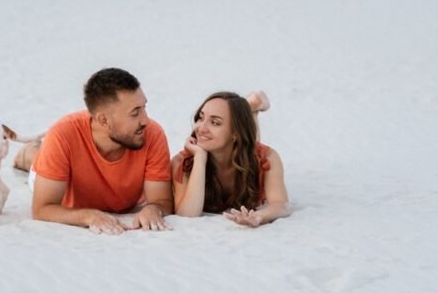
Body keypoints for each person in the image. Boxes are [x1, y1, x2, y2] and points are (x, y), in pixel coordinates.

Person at [25, 68, 173, 235]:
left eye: (144, 107)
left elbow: (162, 201)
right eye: (135, 113)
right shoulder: (62, 135)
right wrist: (88, 216)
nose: (145, 120)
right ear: (103, 120)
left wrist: (154, 209)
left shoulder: (152, 134)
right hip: (53, 176)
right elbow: (42, 209)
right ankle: (28, 153)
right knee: (36, 160)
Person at [171, 90, 290, 227]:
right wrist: (200, 158)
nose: (201, 129)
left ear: (234, 132)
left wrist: (259, 216)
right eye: (200, 118)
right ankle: (247, 107)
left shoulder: (266, 158)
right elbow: (187, 215)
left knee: (249, 147)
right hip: (235, 136)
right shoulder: (183, 163)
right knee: (245, 140)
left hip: (242, 145)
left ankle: (250, 109)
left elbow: (281, 204)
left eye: (215, 122)